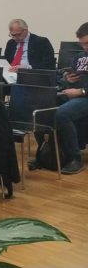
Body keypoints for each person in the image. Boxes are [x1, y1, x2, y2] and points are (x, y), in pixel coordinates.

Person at [48, 22, 88, 174]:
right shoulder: (79, 57)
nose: (85, 47)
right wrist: (68, 79)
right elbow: (70, 77)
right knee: (43, 105)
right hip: (75, 94)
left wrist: (80, 91)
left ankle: (75, 158)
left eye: (87, 43)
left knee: (62, 113)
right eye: (82, 44)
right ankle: (50, 153)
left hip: (84, 96)